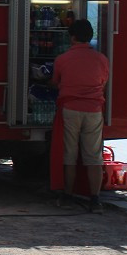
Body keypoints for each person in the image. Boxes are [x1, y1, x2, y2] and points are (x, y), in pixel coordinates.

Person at [51, 19, 111, 213]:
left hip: (70, 109)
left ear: (72, 37)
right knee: (94, 156)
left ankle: (68, 195)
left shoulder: (62, 59)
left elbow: (55, 82)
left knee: (70, 153)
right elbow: (103, 83)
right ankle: (95, 199)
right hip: (94, 110)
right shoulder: (101, 59)